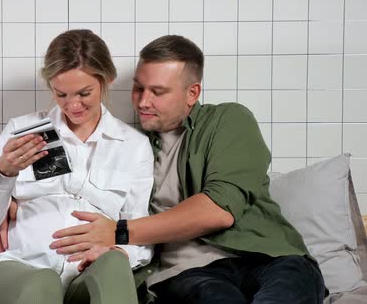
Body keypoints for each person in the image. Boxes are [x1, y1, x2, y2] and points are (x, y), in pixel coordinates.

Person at [49, 35, 326, 303]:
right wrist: (12, 198)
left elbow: (218, 210)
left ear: (192, 93)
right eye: (138, 88)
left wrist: (120, 231)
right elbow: (77, 190)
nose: (143, 101)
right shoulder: (128, 145)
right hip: (188, 274)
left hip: (267, 258)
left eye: (158, 92)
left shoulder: (227, 120)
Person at [0, 29, 154, 304]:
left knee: (115, 265)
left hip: (83, 276)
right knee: (43, 282)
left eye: (84, 93)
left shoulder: (134, 146)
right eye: (61, 94)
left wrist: (121, 251)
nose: (72, 105)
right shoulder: (22, 130)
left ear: (107, 80)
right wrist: (4, 173)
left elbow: (139, 229)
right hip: (15, 265)